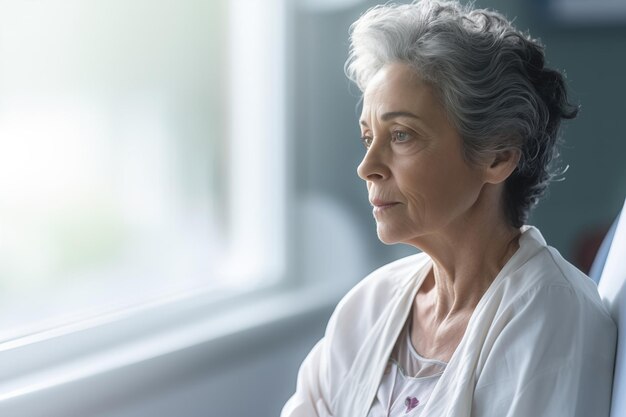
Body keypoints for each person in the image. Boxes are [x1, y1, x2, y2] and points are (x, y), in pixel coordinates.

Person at [281, 1, 617, 416]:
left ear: (498, 157)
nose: (367, 167)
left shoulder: (552, 318)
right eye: (369, 137)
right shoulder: (369, 305)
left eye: (402, 135)